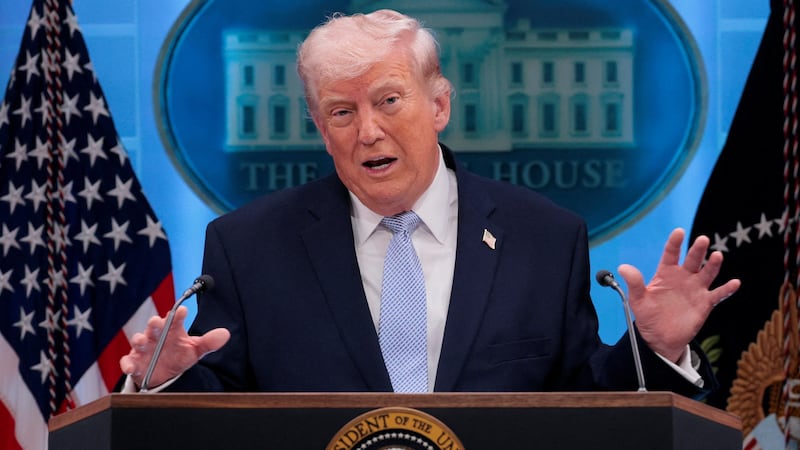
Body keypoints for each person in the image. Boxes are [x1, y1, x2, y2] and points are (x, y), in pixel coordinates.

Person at [120, 9, 740, 396]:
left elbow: (583, 399)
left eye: (389, 101)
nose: (368, 131)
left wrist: (655, 349)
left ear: (438, 106)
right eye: (342, 112)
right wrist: (171, 375)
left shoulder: (544, 239)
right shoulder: (249, 247)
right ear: (320, 128)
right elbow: (216, 413)